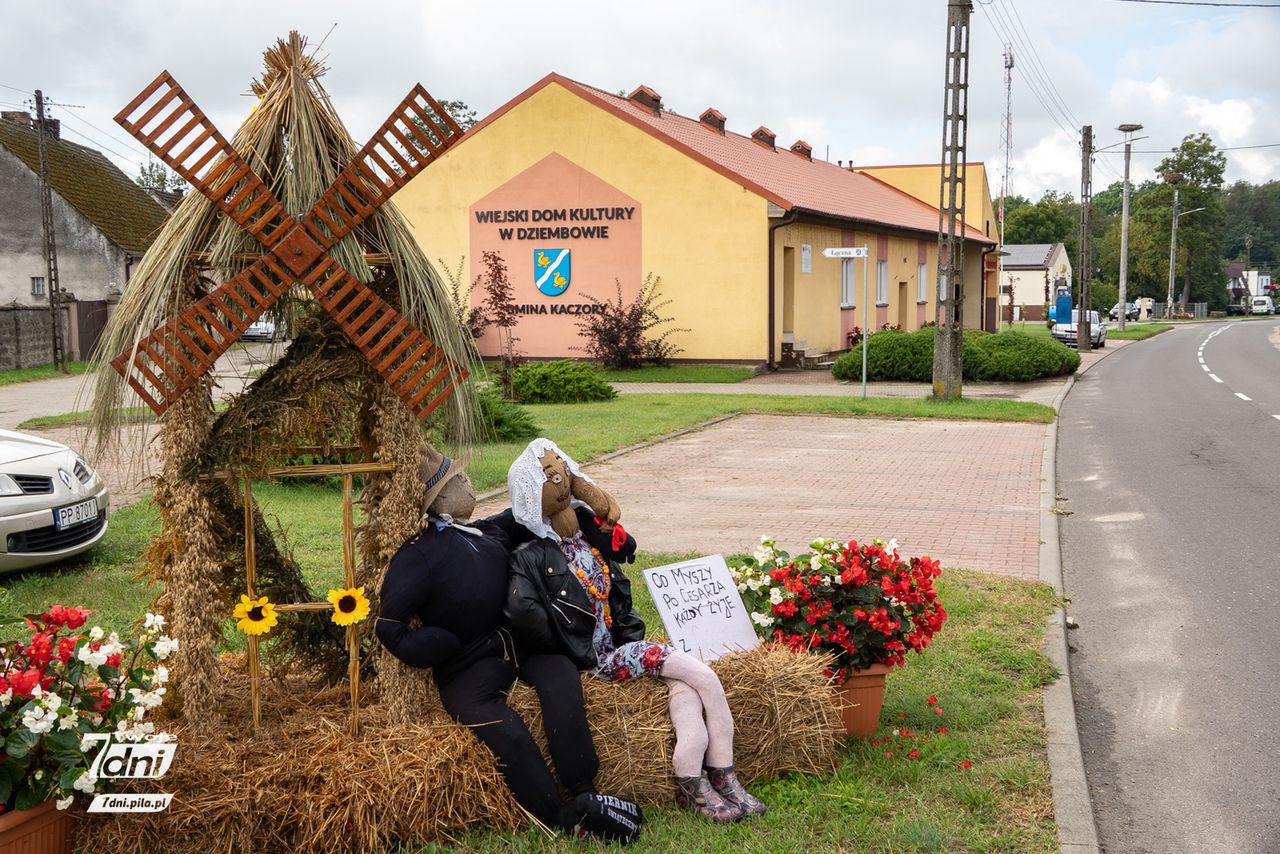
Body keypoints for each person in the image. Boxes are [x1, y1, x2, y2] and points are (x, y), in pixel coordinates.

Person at [375, 446, 642, 843]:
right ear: (436, 498)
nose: (469, 484)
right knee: (504, 730)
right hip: (467, 664)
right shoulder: (417, 557)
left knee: (561, 677)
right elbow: (389, 624)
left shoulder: (487, 532)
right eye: (458, 480)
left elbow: (533, 511)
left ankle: (585, 787)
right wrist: (436, 644)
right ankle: (559, 813)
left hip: (517, 641)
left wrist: (591, 517)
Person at [503, 438, 766, 823]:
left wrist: (593, 501)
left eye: (562, 467)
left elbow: (619, 586)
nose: (562, 477)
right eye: (549, 474)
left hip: (622, 647)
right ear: (531, 491)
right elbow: (522, 612)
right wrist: (571, 647)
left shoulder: (586, 539)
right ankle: (725, 776)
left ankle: (696, 779)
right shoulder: (532, 555)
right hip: (599, 662)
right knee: (704, 677)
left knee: (687, 689)